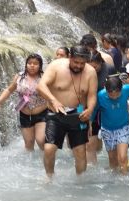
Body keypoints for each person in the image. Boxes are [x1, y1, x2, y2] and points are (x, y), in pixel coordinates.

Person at [36, 45, 97, 177]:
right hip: (56, 113)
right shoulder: (56, 66)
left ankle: (80, 180)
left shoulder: (91, 72)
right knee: (49, 149)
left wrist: (90, 110)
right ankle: (49, 177)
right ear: (70, 57)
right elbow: (41, 86)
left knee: (80, 151)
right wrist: (53, 100)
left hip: (78, 115)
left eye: (82, 63)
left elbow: (92, 95)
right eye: (76, 62)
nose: (78, 66)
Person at [0, 54, 47, 151]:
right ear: (26, 64)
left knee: (41, 140)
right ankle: (31, 164)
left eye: (35, 64)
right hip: (24, 114)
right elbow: (9, 90)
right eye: (30, 63)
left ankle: (48, 161)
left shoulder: (44, 77)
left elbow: (53, 92)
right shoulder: (19, 76)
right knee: (29, 144)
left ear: (40, 66)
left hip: (41, 114)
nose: (32, 65)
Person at [95, 77, 129, 174]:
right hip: (107, 130)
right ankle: (115, 183)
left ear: (121, 90)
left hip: (123, 128)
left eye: (117, 94)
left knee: (122, 157)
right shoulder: (100, 95)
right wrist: (89, 124)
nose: (114, 97)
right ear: (106, 90)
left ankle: (126, 180)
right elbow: (94, 111)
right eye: (111, 94)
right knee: (113, 160)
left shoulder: (126, 90)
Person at [85, 52, 113, 165]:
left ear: (101, 63)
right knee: (90, 143)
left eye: (95, 67)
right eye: (90, 67)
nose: (92, 69)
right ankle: (92, 171)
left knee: (103, 144)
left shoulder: (109, 70)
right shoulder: (82, 70)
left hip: (105, 109)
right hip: (89, 108)